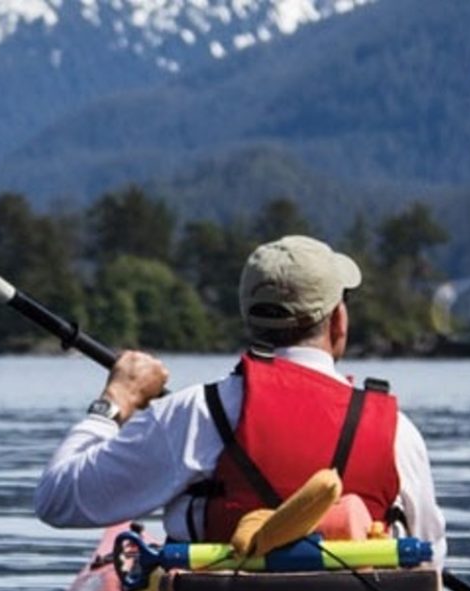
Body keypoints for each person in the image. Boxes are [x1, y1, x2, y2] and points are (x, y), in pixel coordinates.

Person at [33, 235, 446, 563]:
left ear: (249, 319)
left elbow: (57, 499)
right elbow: (431, 559)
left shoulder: (197, 413)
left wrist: (116, 400)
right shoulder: (397, 431)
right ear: (338, 321)